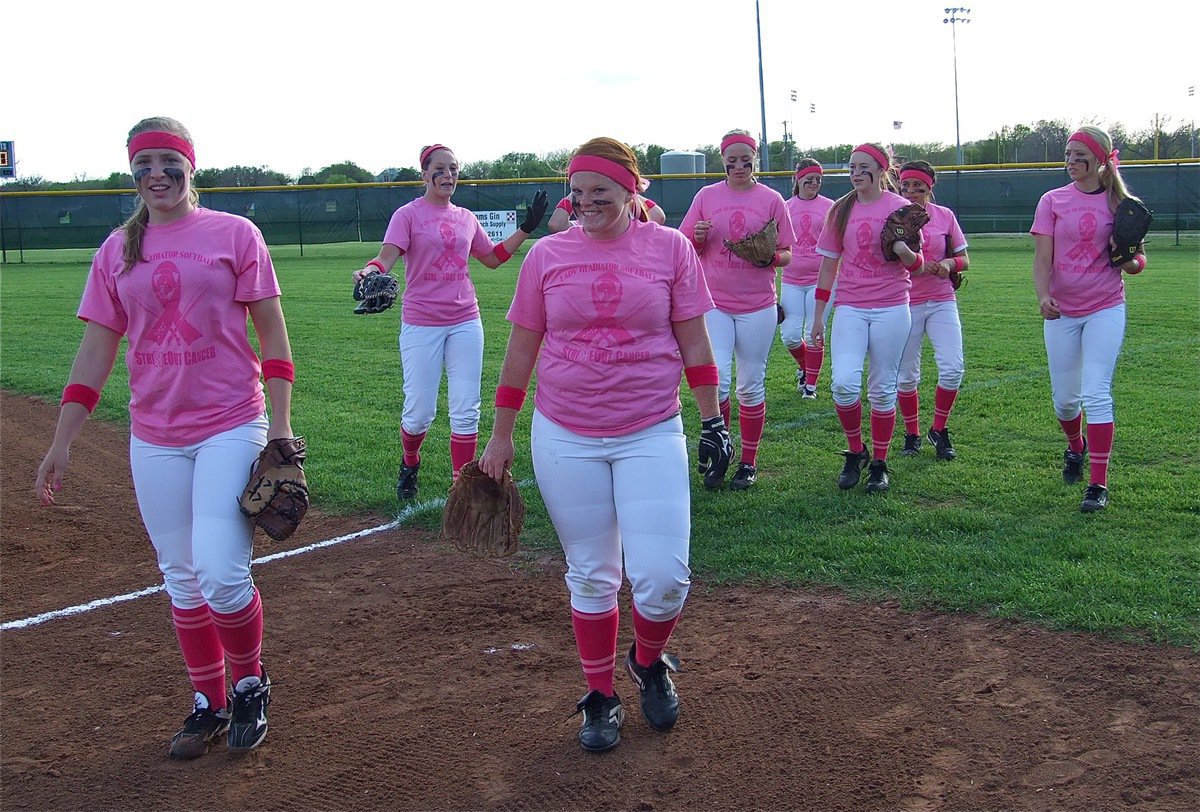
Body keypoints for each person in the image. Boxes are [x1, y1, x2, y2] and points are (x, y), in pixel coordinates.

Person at [34, 117, 294, 759]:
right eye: (143, 163)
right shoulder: (117, 250)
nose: (157, 174)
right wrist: (62, 440)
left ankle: (250, 684)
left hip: (231, 421)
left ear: (191, 167)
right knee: (180, 576)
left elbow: (273, 337)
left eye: (168, 162)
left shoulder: (235, 235)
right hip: (154, 434)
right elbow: (96, 350)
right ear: (132, 172)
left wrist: (282, 425)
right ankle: (207, 703)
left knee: (222, 574)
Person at [478, 136, 727, 753]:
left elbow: (695, 342)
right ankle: (598, 694)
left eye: (602, 192)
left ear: (632, 191)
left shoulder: (669, 249)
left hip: (649, 427)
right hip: (566, 432)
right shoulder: (546, 256)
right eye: (578, 191)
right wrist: (501, 432)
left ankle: (647, 660)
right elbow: (520, 349)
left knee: (664, 579)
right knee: (591, 575)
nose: (586, 202)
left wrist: (714, 420)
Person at [353, 144, 547, 500]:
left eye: (454, 169)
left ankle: (462, 486)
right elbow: (385, 258)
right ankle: (410, 460)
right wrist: (368, 271)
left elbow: (491, 258)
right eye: (439, 169)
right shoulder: (407, 215)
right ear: (424, 175)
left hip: (464, 319)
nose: (448, 175)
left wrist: (526, 229)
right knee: (419, 412)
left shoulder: (465, 217)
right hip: (421, 322)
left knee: (466, 408)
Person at [1031, 126, 1146, 513]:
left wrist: (1127, 259)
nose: (1071, 162)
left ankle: (1098, 484)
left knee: (1096, 393)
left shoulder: (1121, 203)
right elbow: (1042, 258)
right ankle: (1074, 446)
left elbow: (1138, 261)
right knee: (1065, 402)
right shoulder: (1052, 200)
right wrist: (1043, 294)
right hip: (1062, 309)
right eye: (1068, 154)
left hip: (1105, 306)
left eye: (1080, 155)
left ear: (1100, 159)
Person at [678, 129, 795, 489]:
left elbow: (789, 253)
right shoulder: (707, 195)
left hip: (757, 305)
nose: (739, 166)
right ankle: (722, 450)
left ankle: (749, 462)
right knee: (721, 382)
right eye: (733, 159)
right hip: (714, 302)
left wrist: (768, 257)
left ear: (755, 160)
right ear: (723, 160)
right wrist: (697, 236)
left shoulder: (772, 198)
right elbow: (682, 247)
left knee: (751, 383)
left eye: (746, 159)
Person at [811, 143, 925, 493]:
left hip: (892, 305)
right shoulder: (840, 210)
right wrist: (818, 318)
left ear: (881, 170)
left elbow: (919, 266)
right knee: (844, 384)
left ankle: (879, 462)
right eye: (851, 167)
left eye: (863, 166)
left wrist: (905, 250)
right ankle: (855, 450)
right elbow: (829, 265)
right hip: (851, 305)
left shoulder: (902, 208)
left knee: (882, 388)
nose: (856, 173)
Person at [894, 160, 970, 460]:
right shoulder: (892, 216)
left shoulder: (944, 216)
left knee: (952, 368)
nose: (912, 192)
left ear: (930, 188)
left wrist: (949, 264)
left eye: (919, 187)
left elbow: (964, 259)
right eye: (907, 186)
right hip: (904, 302)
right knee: (905, 376)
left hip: (940, 300)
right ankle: (911, 433)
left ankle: (938, 428)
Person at [779, 158, 835, 399]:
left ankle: (810, 386)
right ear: (798, 179)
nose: (814, 183)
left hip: (820, 279)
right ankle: (806, 368)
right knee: (790, 335)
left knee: (815, 332)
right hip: (791, 278)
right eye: (809, 179)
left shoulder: (830, 206)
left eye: (818, 180)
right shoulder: (785, 206)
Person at [547, 182, 666, 232]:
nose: (586, 202)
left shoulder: (630, 226)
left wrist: (627, 189)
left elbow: (658, 216)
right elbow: (556, 225)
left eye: (599, 190)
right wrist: (582, 187)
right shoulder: (584, 226)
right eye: (577, 191)